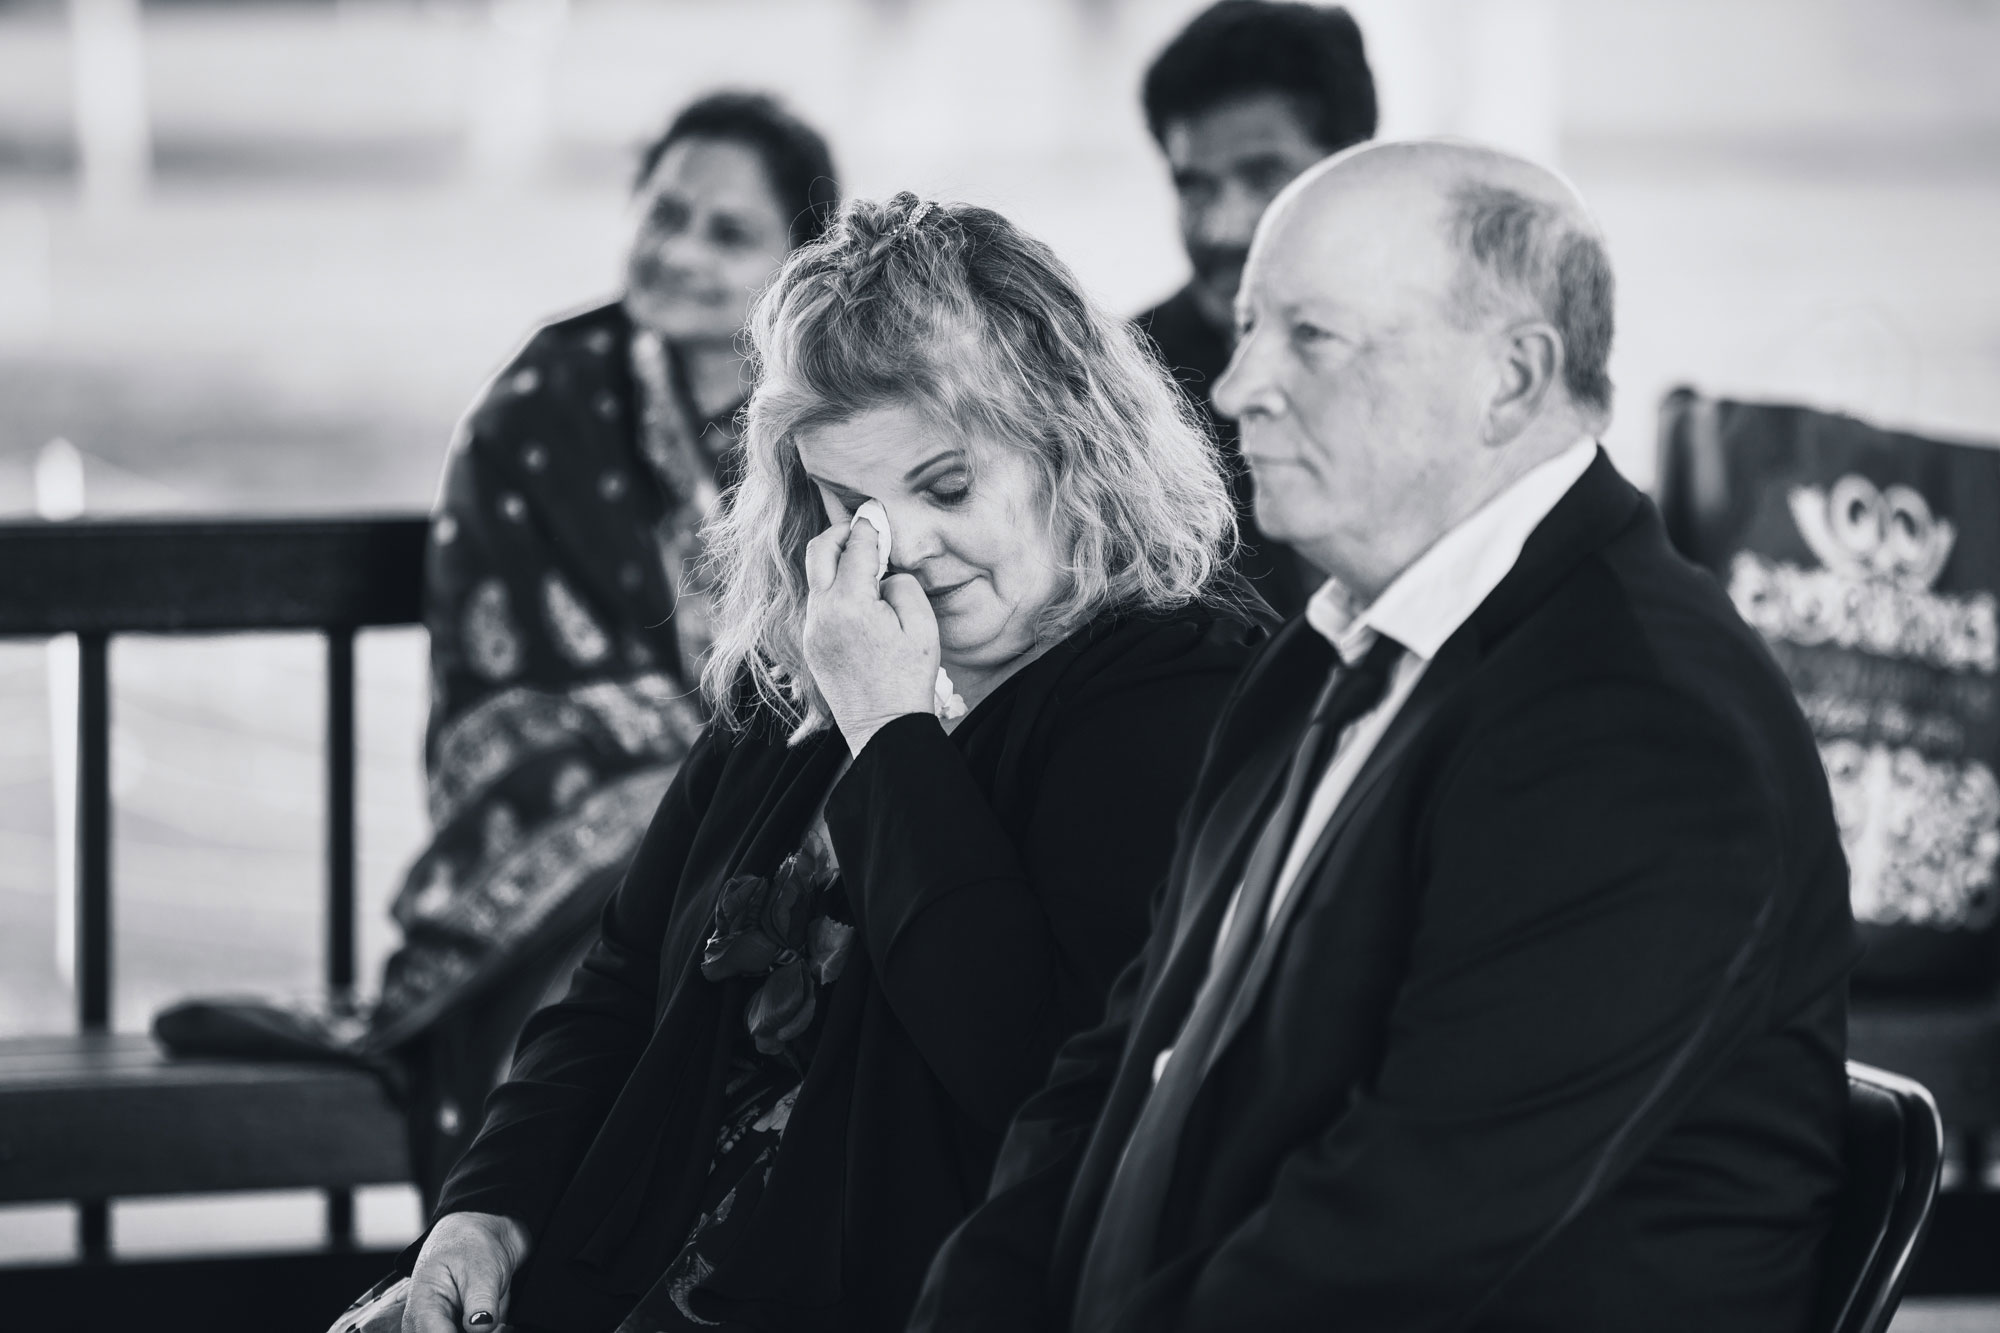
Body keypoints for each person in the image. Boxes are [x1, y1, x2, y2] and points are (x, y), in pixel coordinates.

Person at [911, 141, 1856, 1332]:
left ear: (1509, 379)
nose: (1236, 383)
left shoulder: (1639, 724)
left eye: (1311, 336)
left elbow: (1399, 1248)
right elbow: (1116, 1071)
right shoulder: (1325, 649)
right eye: (1249, 326)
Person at [332, 193, 1267, 1333]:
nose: (902, 550)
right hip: (617, 1270)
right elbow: (621, 982)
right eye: (848, 502)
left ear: (1068, 441)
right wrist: (489, 1208)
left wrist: (890, 734)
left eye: (945, 485)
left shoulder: (1175, 692)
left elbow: (1034, 1069)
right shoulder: (801, 662)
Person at [155, 91, 841, 1207]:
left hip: (769, 813)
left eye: (727, 234)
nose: (678, 253)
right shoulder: (543, 402)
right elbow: (514, 677)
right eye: (663, 215)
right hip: (568, 849)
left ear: (796, 258)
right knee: (646, 979)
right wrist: (714, 777)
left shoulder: (826, 414)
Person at [1133, 0, 1376, 618]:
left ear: (1354, 169)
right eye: (1195, 187)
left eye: (1262, 176)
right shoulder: (1122, 392)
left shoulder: (1446, 356)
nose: (1222, 228)